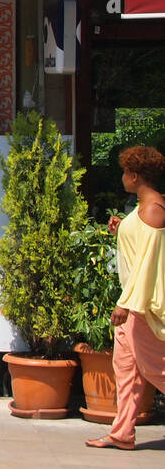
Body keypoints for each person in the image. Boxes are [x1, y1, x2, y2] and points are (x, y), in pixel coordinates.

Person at [86, 145, 165, 451]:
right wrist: (121, 228)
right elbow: (139, 246)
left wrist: (125, 304)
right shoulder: (145, 209)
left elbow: (147, 264)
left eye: (124, 172)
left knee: (156, 369)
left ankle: (121, 433)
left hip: (141, 308)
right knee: (126, 372)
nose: (122, 177)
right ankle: (122, 433)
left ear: (133, 176)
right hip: (134, 306)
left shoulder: (152, 211)